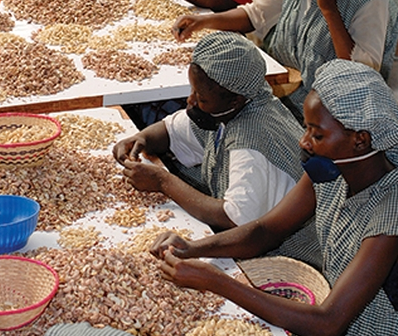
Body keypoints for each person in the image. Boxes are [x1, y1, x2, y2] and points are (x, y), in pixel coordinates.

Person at [150, 59, 398, 336]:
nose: (304, 142)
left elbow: (329, 322)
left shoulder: (389, 213)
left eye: (317, 134)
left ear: (360, 140)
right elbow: (265, 231)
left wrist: (217, 282)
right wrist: (193, 247)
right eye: (306, 128)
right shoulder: (330, 170)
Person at [113, 31, 307, 234]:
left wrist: (163, 182)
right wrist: (140, 139)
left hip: (279, 250)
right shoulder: (235, 105)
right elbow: (170, 131)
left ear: (235, 100)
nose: (191, 101)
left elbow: (233, 219)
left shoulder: (251, 145)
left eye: (201, 97)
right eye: (193, 90)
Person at [171, 0, 398, 123]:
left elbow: (358, 74)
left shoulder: (372, 3)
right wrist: (203, 21)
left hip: (328, 115)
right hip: (281, 96)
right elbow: (256, 15)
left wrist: (329, 10)